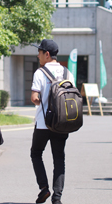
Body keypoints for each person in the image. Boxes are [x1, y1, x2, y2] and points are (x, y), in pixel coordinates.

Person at [30, 39, 75, 204]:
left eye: (40, 52)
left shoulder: (40, 73)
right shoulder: (67, 73)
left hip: (43, 123)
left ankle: (44, 188)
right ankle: (57, 198)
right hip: (62, 123)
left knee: (36, 153)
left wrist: (44, 99)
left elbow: (35, 98)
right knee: (59, 159)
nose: (38, 55)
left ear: (46, 54)